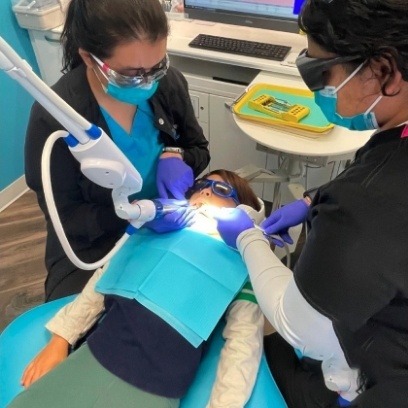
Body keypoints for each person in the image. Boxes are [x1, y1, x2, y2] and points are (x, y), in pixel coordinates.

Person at [215, 1, 408, 407]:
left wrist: (249, 240)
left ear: (384, 70)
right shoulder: (384, 169)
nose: (317, 87)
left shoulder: (366, 206)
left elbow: (299, 326)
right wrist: (314, 199)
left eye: (320, 72)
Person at [10, 170, 265, 408]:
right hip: (98, 354)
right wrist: (61, 339)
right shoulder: (155, 232)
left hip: (156, 387)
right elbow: (102, 282)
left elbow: (244, 345)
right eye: (201, 185)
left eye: (220, 189)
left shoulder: (242, 266)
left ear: (243, 209)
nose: (206, 191)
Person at [24, 0, 210, 302]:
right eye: (131, 73)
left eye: (157, 66)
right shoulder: (55, 118)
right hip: (94, 246)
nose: (148, 81)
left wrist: (177, 155)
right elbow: (68, 218)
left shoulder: (169, 84)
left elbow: (198, 149)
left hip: (167, 224)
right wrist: (139, 214)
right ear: (88, 57)